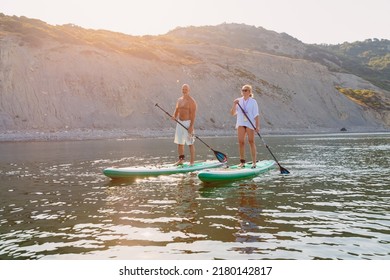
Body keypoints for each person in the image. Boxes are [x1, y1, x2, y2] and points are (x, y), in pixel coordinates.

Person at [230, 84, 260, 168]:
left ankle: (254, 162)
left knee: (251, 141)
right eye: (242, 90)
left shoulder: (253, 101)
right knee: (241, 142)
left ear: (249, 92)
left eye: (245, 90)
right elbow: (232, 113)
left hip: (250, 124)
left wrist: (257, 126)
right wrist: (234, 104)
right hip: (241, 123)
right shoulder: (238, 101)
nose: (244, 91)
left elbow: (256, 115)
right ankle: (242, 162)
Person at [172, 84, 197, 165]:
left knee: (190, 143)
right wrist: (174, 116)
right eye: (183, 89)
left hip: (188, 123)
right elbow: (177, 109)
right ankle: (181, 160)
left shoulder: (191, 101)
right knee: (180, 143)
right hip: (180, 123)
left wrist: (191, 126)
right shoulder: (179, 100)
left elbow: (193, 115)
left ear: (189, 90)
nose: (184, 90)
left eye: (186, 89)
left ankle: (192, 162)